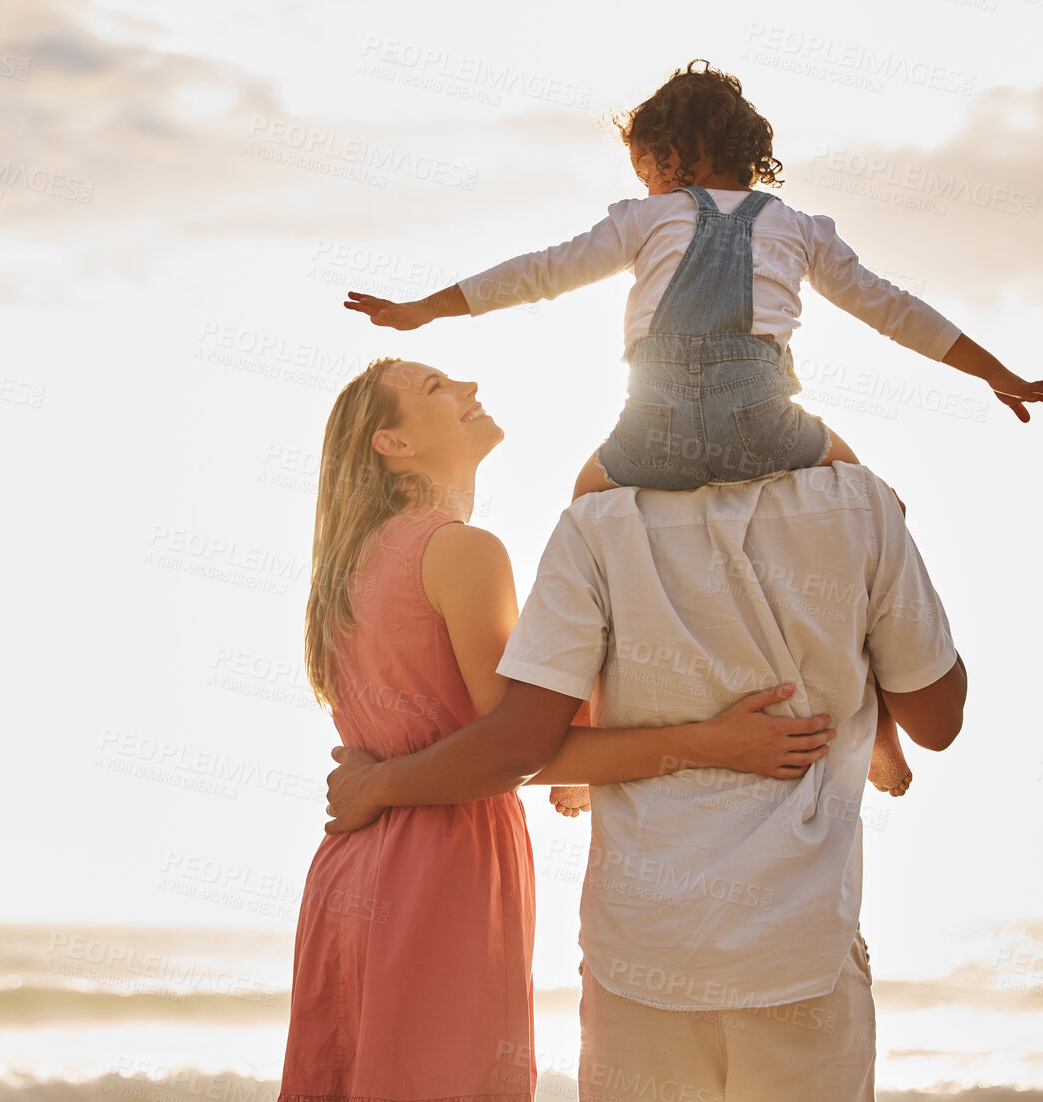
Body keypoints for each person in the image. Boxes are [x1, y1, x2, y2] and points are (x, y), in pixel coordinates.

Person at [343, 58, 1043, 800]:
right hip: (765, 418)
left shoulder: (645, 216)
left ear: (667, 157)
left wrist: (425, 308)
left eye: (646, 168)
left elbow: (541, 272)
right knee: (879, 498)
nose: (650, 184)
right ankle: (876, 712)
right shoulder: (800, 228)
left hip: (654, 424)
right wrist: (995, 372)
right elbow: (892, 309)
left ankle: (584, 724)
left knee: (583, 503)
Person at [324, 449, 967, 1099]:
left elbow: (520, 746)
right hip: (794, 949)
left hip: (642, 951)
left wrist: (383, 782)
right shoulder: (853, 499)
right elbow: (939, 720)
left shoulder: (595, 516)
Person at [280, 355, 838, 1102]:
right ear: (394, 443)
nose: (471, 386)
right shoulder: (461, 551)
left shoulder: (350, 566)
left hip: (351, 871)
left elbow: (505, 741)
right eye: (436, 389)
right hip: (437, 868)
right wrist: (713, 742)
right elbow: (516, 751)